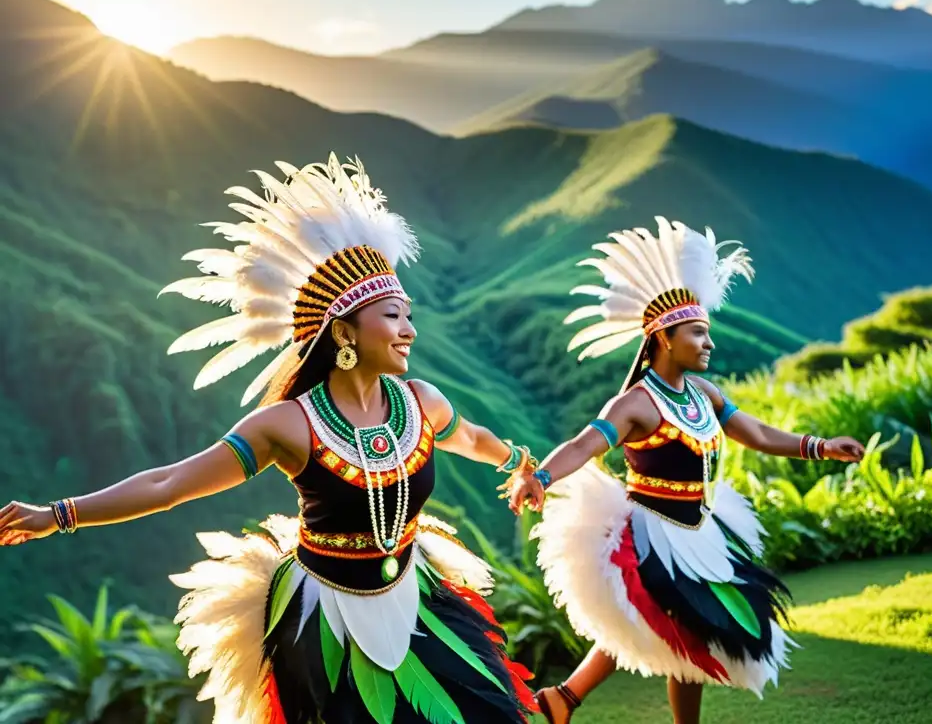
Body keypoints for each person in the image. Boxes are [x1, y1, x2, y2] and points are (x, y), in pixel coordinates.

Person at [0, 154, 541, 724]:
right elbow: (170, 483)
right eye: (392, 315)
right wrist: (59, 513)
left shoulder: (422, 403)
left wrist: (522, 464)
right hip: (323, 620)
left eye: (408, 314)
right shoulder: (286, 426)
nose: (409, 329)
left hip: (417, 595)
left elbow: (476, 438)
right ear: (344, 331)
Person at [506, 218, 865, 724]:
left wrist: (821, 447)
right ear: (664, 338)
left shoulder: (706, 395)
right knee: (676, 623)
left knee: (675, 628)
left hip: (701, 529)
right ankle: (572, 698)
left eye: (707, 332)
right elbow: (585, 444)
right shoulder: (635, 404)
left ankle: (564, 697)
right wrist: (539, 477)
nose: (709, 342)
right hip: (651, 533)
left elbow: (758, 435)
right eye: (698, 332)